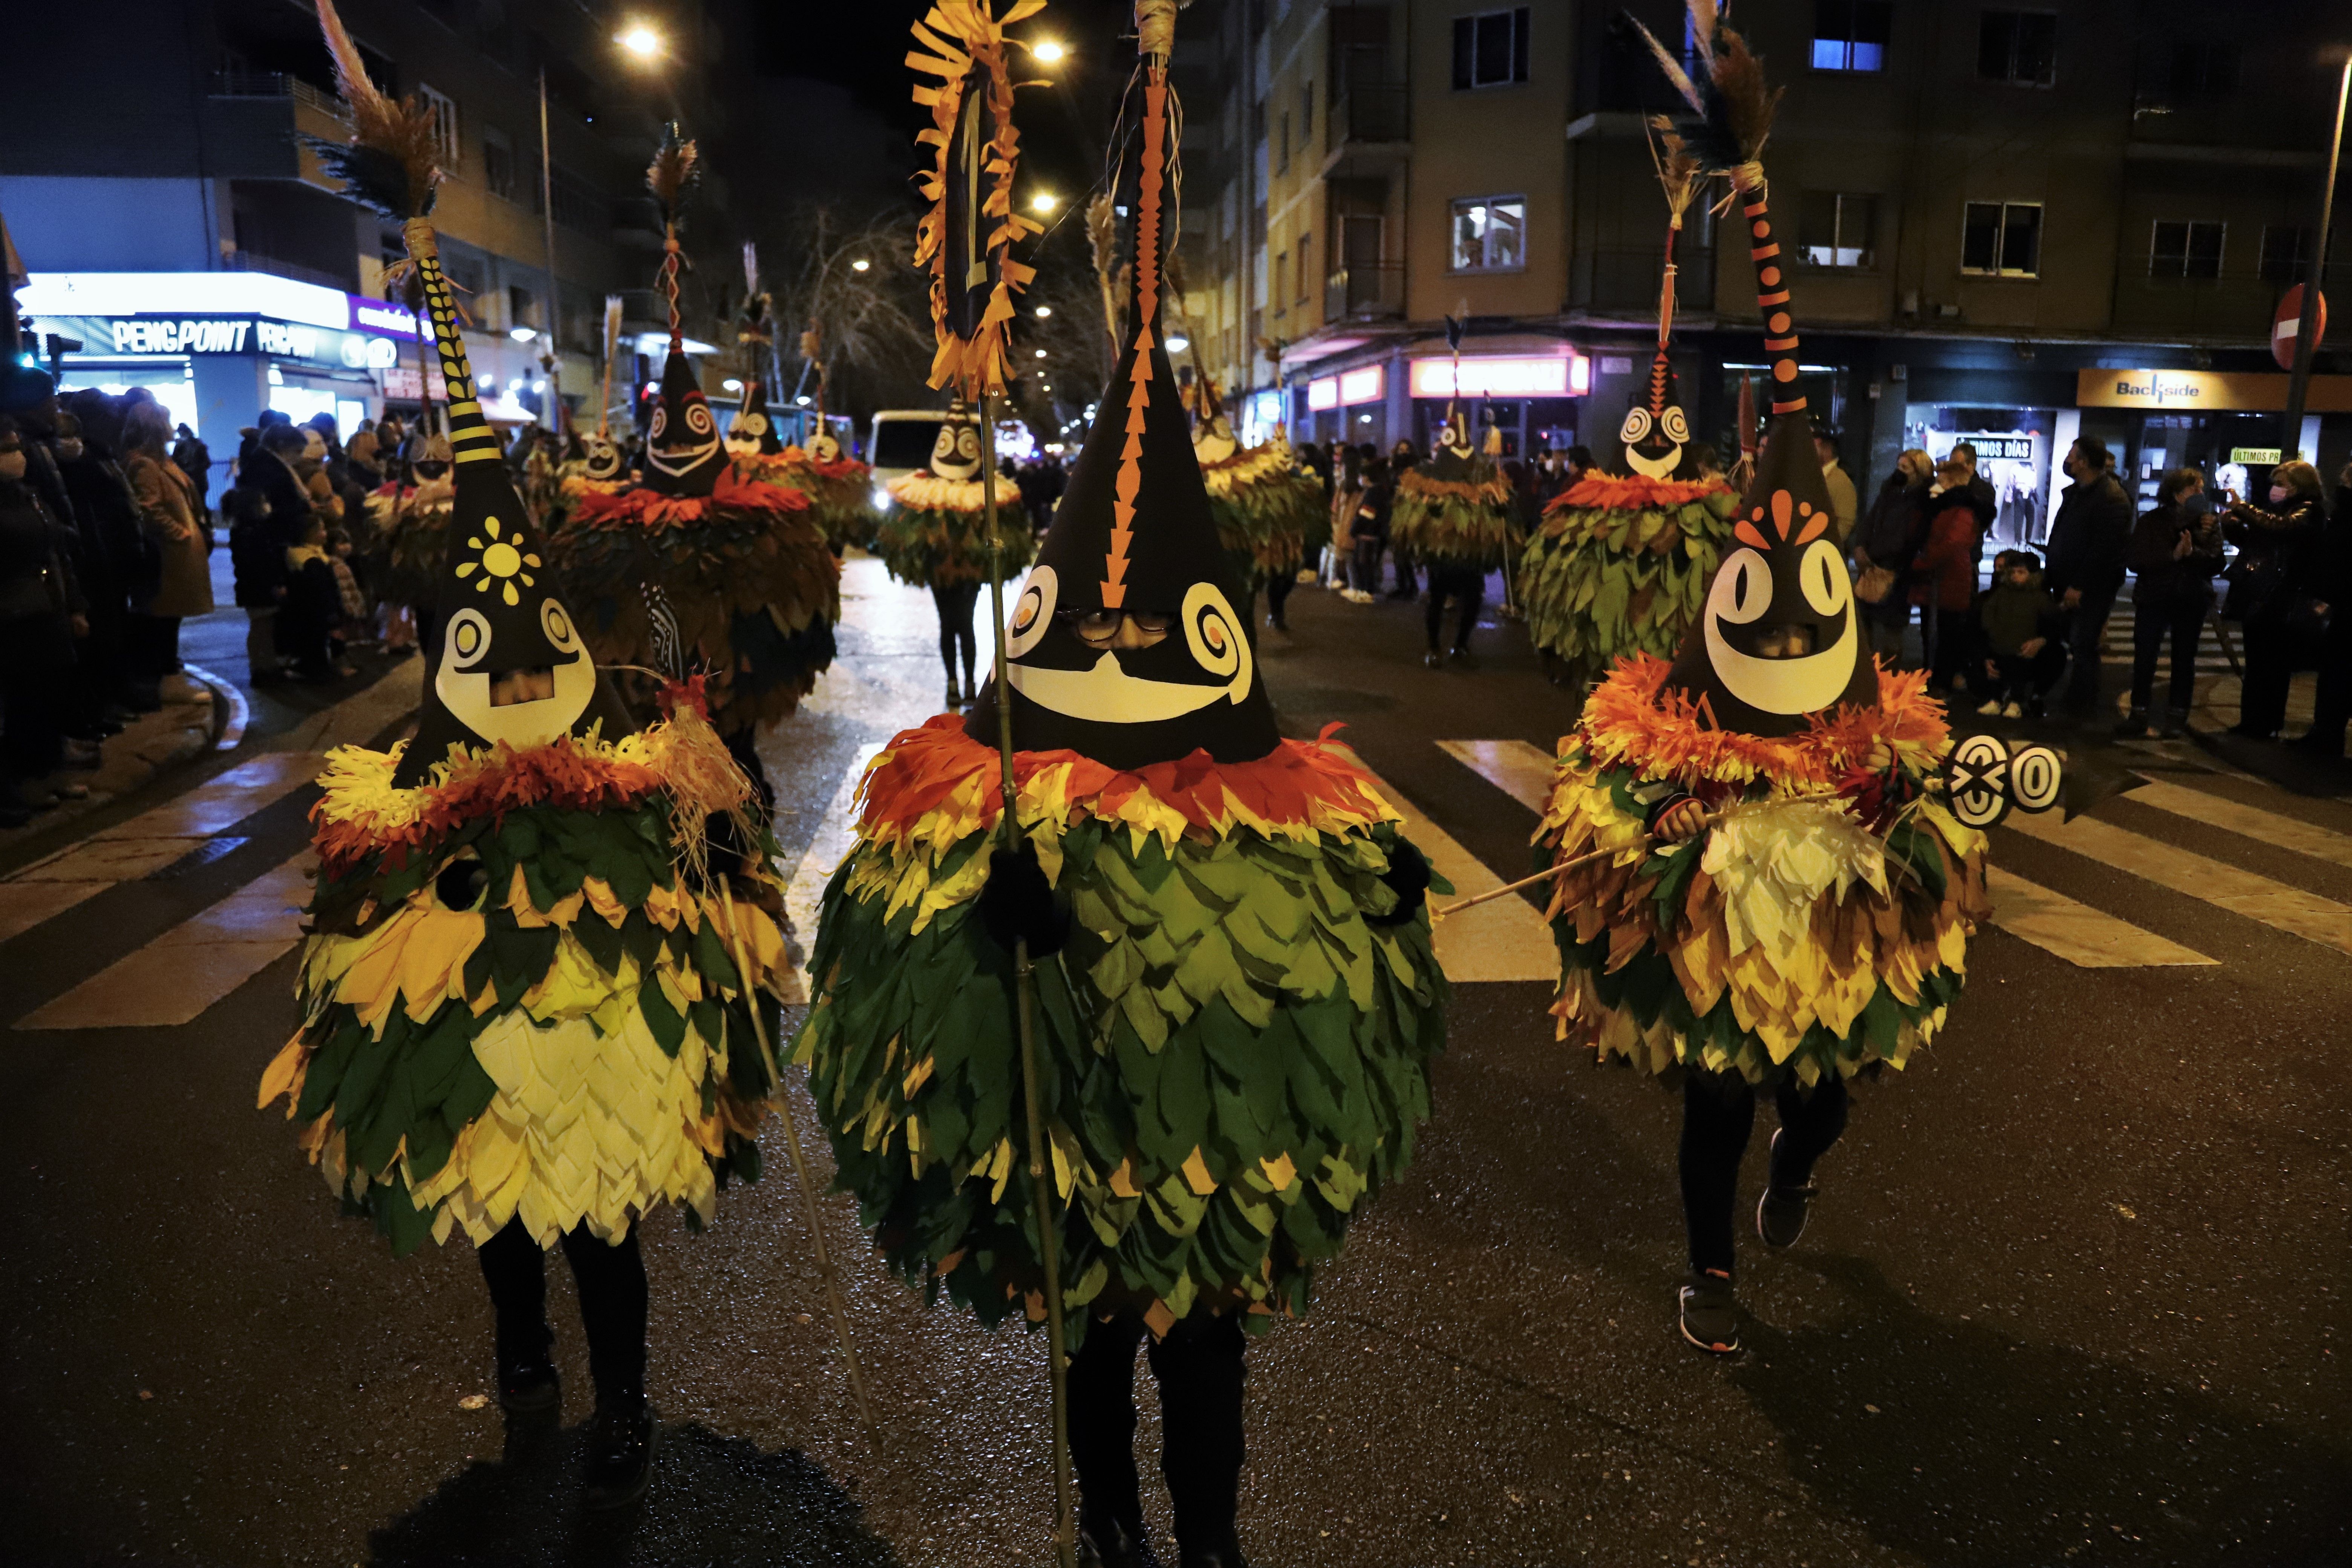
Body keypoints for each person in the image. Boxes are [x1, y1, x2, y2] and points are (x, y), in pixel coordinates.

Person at [797, 43, 1446, 1559]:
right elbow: (908, 956)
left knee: (1205, 1347)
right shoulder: (991, 793)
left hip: (1205, 1161)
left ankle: (1208, 1535)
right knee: (1089, 1339)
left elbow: (1348, 945)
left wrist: (1384, 902)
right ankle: (1105, 1519)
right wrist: (986, 918)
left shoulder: (1269, 803)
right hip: (1067, 1148)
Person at [261, 29, 799, 1509]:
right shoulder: (411, 764)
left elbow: (714, 845)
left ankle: (619, 1396)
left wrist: (720, 827)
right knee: (505, 1225)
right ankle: (525, 1368)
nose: (512, 674)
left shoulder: (625, 722)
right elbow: (358, 909)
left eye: (530, 640)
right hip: (483, 1047)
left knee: (604, 1228)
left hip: (599, 1049)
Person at [2220, 458, 2328, 741]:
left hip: (2283, 596)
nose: (2276, 489)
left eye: (2282, 484)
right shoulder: (2279, 510)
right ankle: (2252, 721)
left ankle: (2266, 722)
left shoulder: (2309, 512)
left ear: (2299, 487)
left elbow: (2281, 528)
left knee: (2273, 665)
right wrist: (2231, 525)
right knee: (2257, 662)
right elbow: (2258, 540)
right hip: (2262, 592)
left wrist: (2241, 509)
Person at [2119, 468, 2222, 738]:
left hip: (2191, 598)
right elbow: (2136, 559)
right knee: (2145, 657)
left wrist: (2193, 553)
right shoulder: (2152, 521)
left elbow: (2216, 563)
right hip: (2155, 596)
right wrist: (2173, 556)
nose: (2200, 494)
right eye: (2194, 489)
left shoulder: (2208, 523)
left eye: (2201, 488)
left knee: (2184, 658)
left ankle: (2177, 717)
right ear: (2177, 493)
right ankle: (2138, 712)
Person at [119, 400, 214, 681]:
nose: (172, 428)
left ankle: (168, 667)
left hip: (176, 552)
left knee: (171, 615)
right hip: (168, 555)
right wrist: (179, 533)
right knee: (165, 616)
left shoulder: (161, 461)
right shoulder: (145, 464)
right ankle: (165, 673)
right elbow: (148, 507)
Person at [2041, 436, 2133, 720]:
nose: (2068, 461)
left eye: (2072, 456)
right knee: (2073, 640)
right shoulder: (2080, 492)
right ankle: (2077, 698)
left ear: (2083, 462)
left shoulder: (2111, 498)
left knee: (2083, 644)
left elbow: (2105, 551)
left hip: (2089, 588)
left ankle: (2082, 704)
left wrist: (2079, 586)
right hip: (2067, 581)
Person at [2291, 460, 2352, 758]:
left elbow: (2334, 558)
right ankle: (2327, 735)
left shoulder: (2344, 514)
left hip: (2342, 609)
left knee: (2336, 676)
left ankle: (2327, 737)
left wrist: (2320, 595)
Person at [1851, 448, 1932, 664]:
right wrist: (1860, 546)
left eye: (1905, 468)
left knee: (1893, 627)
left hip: (1897, 569)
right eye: (1899, 466)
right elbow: (1871, 520)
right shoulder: (1890, 491)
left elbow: (1911, 535)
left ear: (1919, 472)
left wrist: (1892, 558)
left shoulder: (1924, 500)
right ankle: (1867, 669)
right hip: (1873, 564)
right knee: (1864, 618)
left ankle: (1889, 674)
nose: (1900, 471)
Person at [1911, 457, 1981, 693]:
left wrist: (1922, 563)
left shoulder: (1961, 509)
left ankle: (1940, 683)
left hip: (1947, 580)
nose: (1936, 485)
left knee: (1945, 634)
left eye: (1941, 481)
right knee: (1933, 632)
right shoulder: (1946, 506)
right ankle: (1933, 679)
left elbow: (1951, 544)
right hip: (1937, 580)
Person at [1972, 549, 2067, 717]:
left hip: (2023, 649)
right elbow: (1986, 618)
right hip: (1999, 646)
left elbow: (2054, 624)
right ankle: (1995, 700)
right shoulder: (2001, 594)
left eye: (2021, 572)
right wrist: (1989, 646)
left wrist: (2041, 640)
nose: (2016, 576)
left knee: (2021, 669)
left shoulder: (2039, 598)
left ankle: (2018, 701)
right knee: (1996, 667)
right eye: (2013, 572)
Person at [1347, 454, 1393, 603]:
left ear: (1367, 477)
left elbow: (1367, 514)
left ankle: (1367, 591)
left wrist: (1355, 529)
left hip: (1369, 533)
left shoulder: (1374, 492)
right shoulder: (1380, 490)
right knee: (1363, 562)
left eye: (1362, 476)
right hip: (1372, 532)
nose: (1360, 479)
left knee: (1364, 563)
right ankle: (1364, 590)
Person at [1813, 425, 1858, 545]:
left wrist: (1825, 546)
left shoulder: (1840, 481)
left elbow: (1845, 523)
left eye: (1813, 447)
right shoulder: (1816, 476)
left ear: (1827, 450)